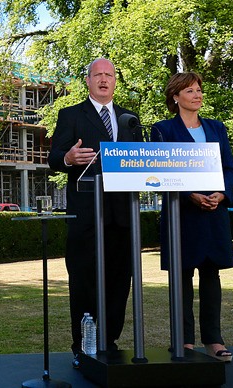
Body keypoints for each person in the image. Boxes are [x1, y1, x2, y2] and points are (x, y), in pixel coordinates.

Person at [49, 58, 143, 368]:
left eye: (109, 75)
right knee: (83, 279)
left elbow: (138, 161)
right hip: (87, 216)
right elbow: (54, 157)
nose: (104, 80)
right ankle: (83, 344)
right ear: (87, 80)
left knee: (119, 280)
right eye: (97, 75)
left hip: (122, 215)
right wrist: (69, 157)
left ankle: (109, 341)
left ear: (116, 81)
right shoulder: (71, 115)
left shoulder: (130, 119)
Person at [151, 72, 233, 362]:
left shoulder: (217, 128)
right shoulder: (162, 130)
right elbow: (161, 170)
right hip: (182, 216)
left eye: (199, 90)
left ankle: (214, 341)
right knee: (181, 278)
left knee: (211, 277)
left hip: (214, 215)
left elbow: (229, 168)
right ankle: (183, 342)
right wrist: (190, 195)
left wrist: (222, 195)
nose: (197, 95)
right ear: (175, 97)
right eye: (189, 91)